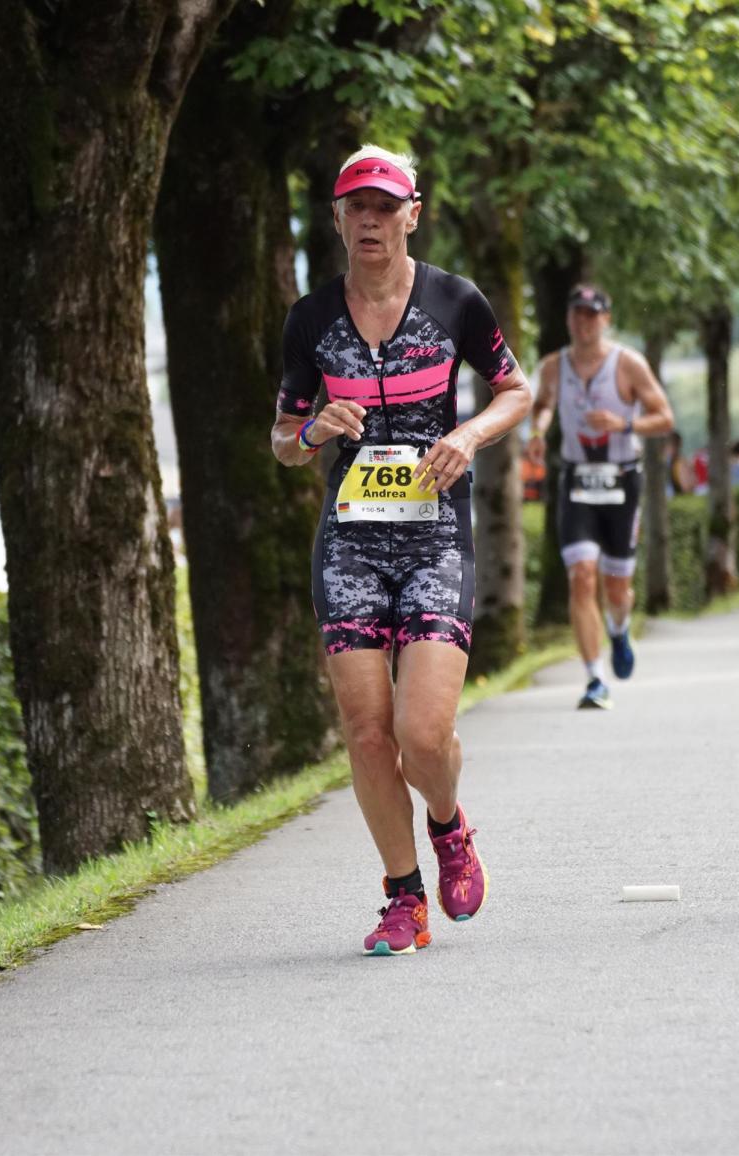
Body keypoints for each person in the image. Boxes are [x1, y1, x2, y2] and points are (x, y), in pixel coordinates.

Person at [271, 144, 532, 955]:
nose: (371, 220)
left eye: (386, 206)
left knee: (422, 734)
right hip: (350, 546)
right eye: (357, 206)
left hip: (435, 539)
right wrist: (314, 430)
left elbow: (516, 390)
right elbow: (282, 438)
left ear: (412, 215)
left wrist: (469, 435)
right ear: (338, 219)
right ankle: (403, 897)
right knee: (367, 733)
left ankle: (449, 827)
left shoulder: (455, 301)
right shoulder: (311, 319)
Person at [528, 284, 673, 710]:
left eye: (592, 315)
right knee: (582, 575)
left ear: (606, 319)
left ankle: (619, 628)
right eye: (577, 313)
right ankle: (595, 678)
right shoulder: (554, 366)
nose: (583, 322)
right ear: (568, 318)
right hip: (577, 481)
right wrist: (538, 432)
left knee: (617, 586)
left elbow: (664, 417)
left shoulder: (628, 364)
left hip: (622, 479)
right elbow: (542, 404)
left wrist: (623, 425)